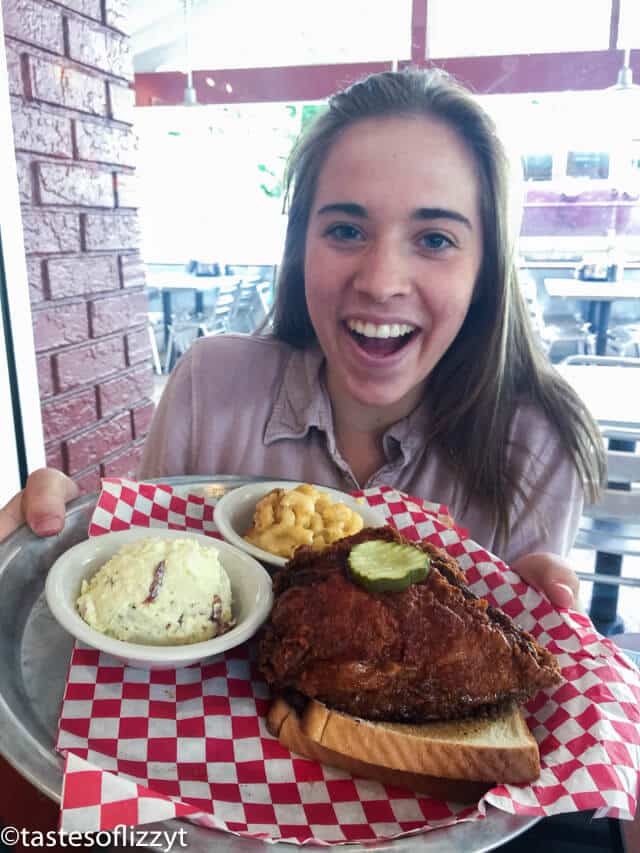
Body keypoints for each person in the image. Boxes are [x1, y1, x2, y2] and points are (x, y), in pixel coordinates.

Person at [0, 68, 605, 607]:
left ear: (486, 271)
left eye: (435, 240)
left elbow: (531, 673)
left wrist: (534, 637)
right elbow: (140, 584)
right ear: (299, 248)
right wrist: (55, 550)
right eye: (346, 230)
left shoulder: (535, 445)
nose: (381, 282)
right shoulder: (209, 385)